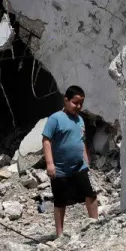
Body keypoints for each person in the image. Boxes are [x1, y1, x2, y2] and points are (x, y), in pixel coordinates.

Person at [41, 85, 98, 237]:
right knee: (60, 201)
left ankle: (95, 225)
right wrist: (49, 163)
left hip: (80, 167)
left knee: (91, 194)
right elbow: (46, 141)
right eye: (75, 102)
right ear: (66, 100)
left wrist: (87, 162)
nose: (78, 106)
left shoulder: (80, 120)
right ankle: (59, 234)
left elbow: (82, 141)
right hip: (60, 169)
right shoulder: (55, 119)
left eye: (81, 103)